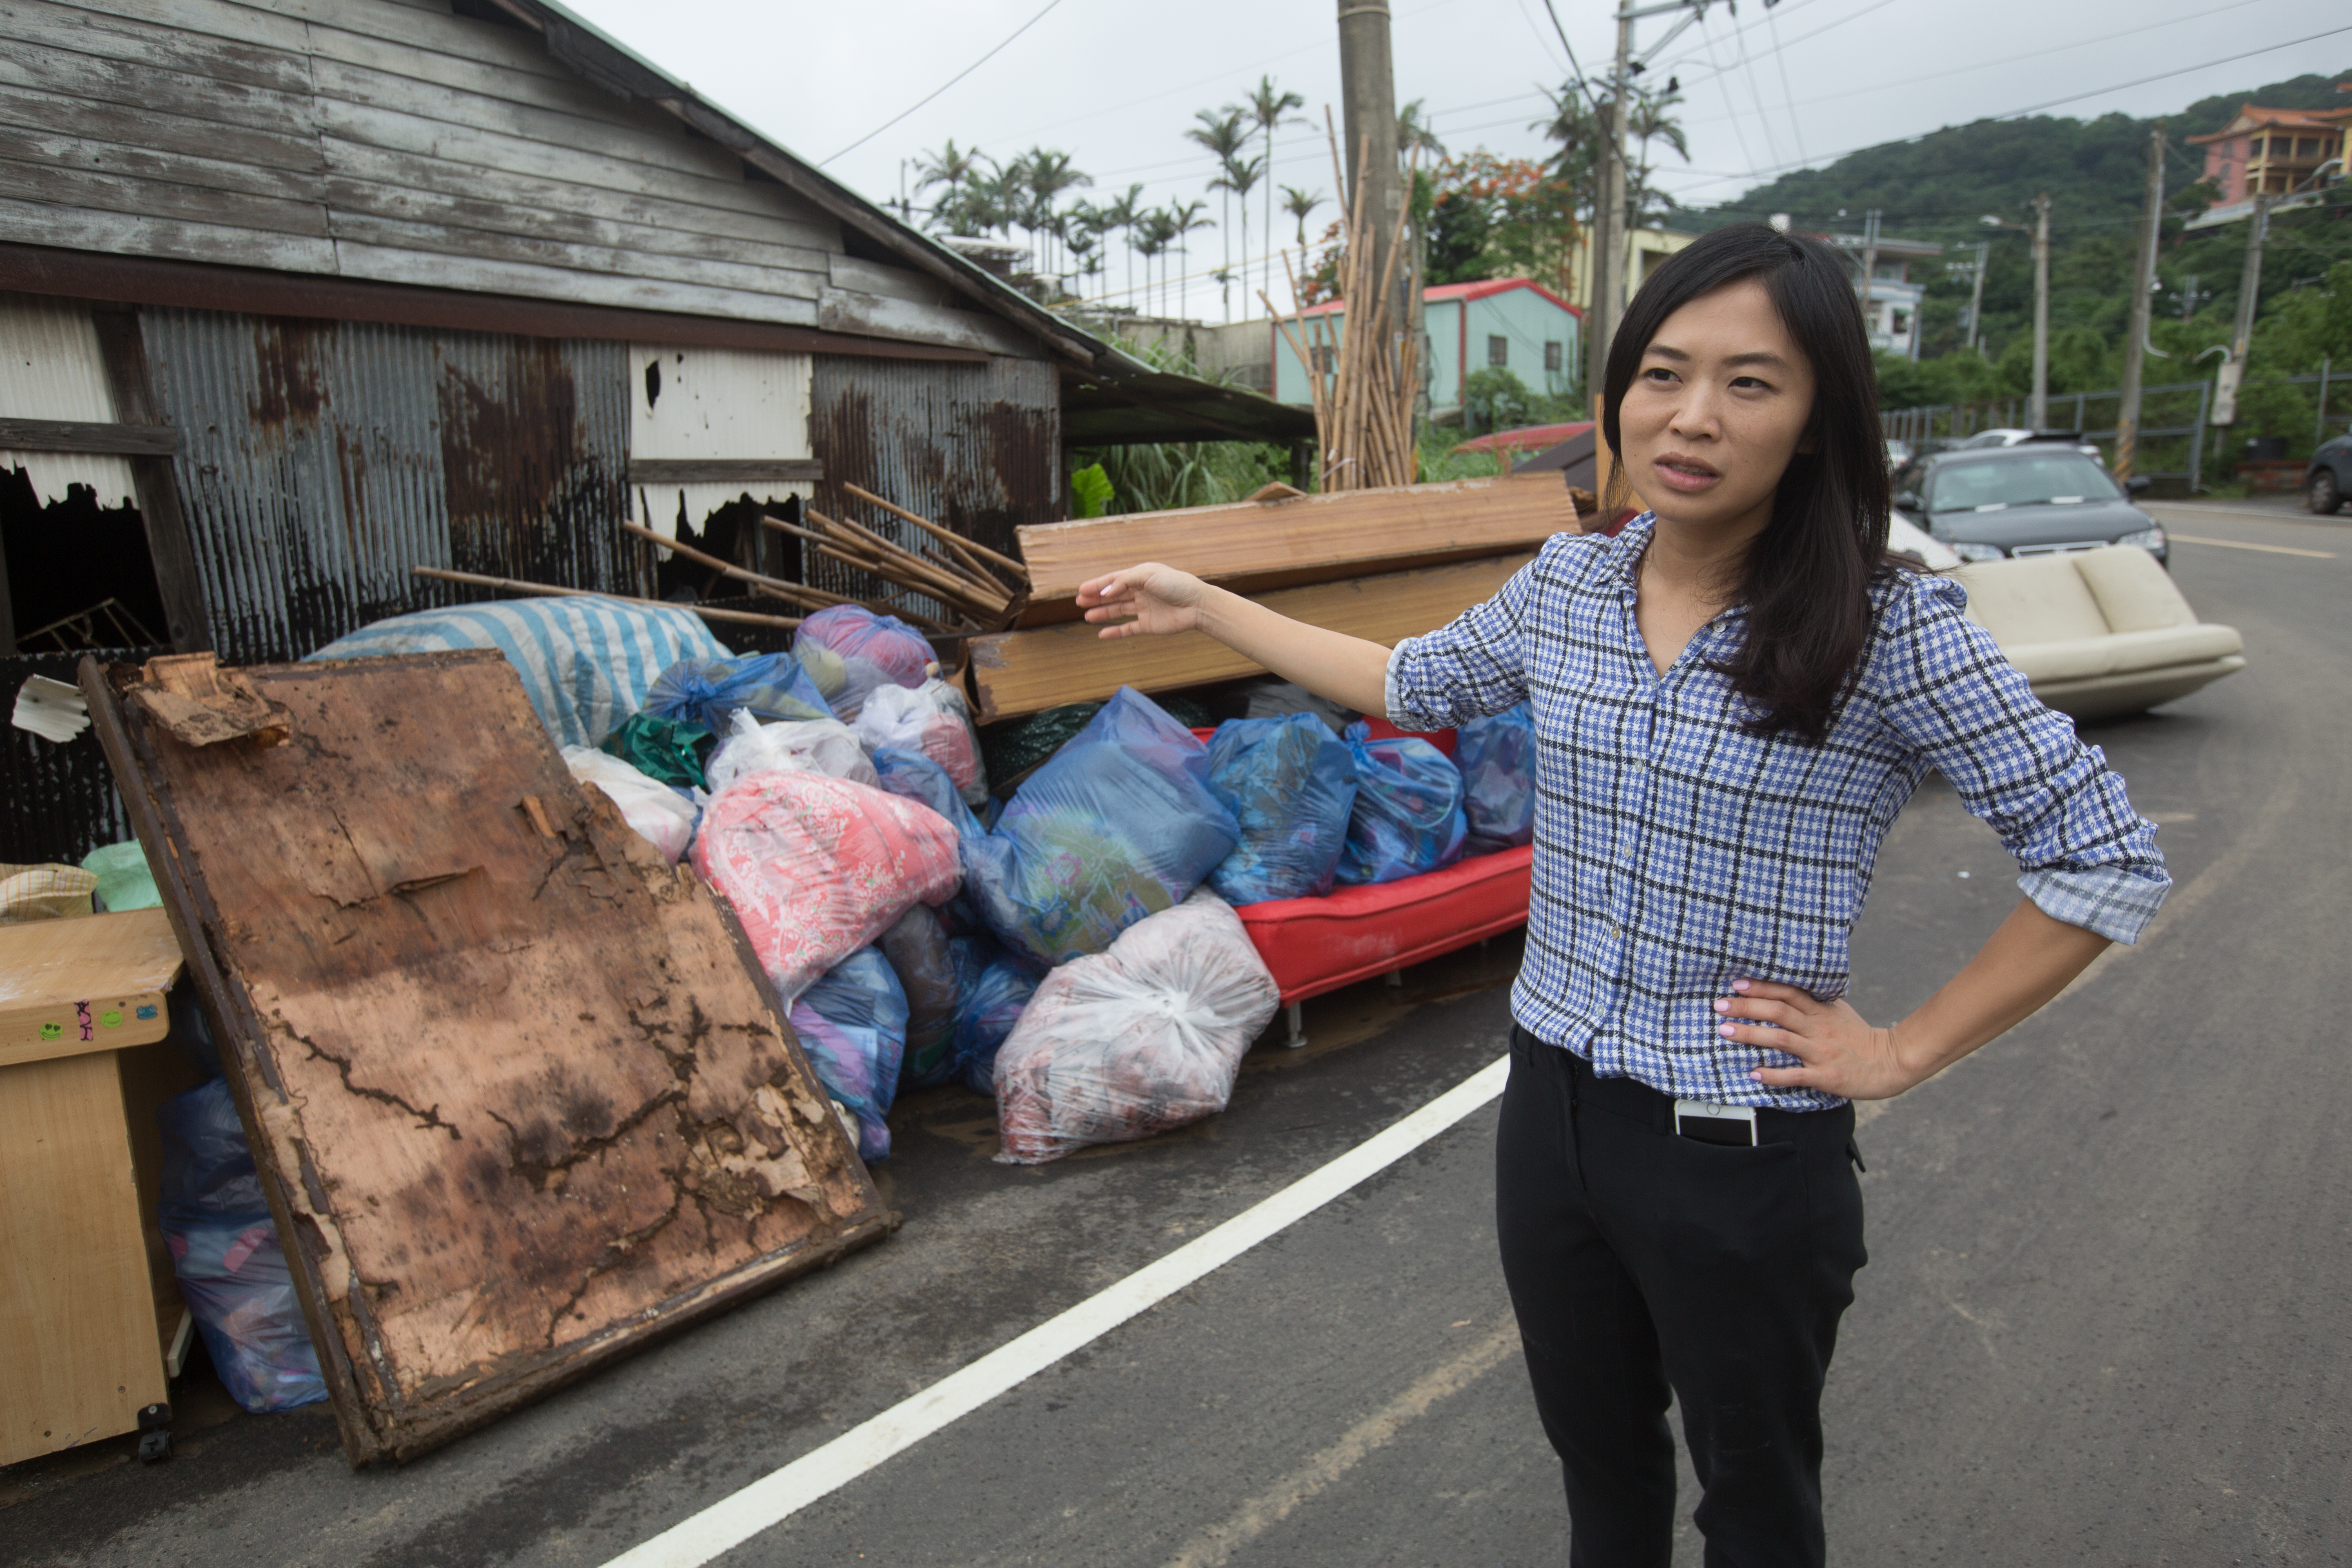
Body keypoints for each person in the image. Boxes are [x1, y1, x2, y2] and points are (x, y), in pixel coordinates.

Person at [1074, 223, 2168, 1566]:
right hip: (1553, 1115)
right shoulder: (1573, 584)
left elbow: (2103, 854)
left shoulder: (1892, 631)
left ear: (1818, 421)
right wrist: (1204, 600)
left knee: (1757, 1508)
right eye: (1664, 372)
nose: (1693, 416)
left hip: (1740, 1154)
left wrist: (1900, 1052)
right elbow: (1409, 681)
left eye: (1751, 383)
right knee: (1600, 1474)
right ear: (1621, 392)